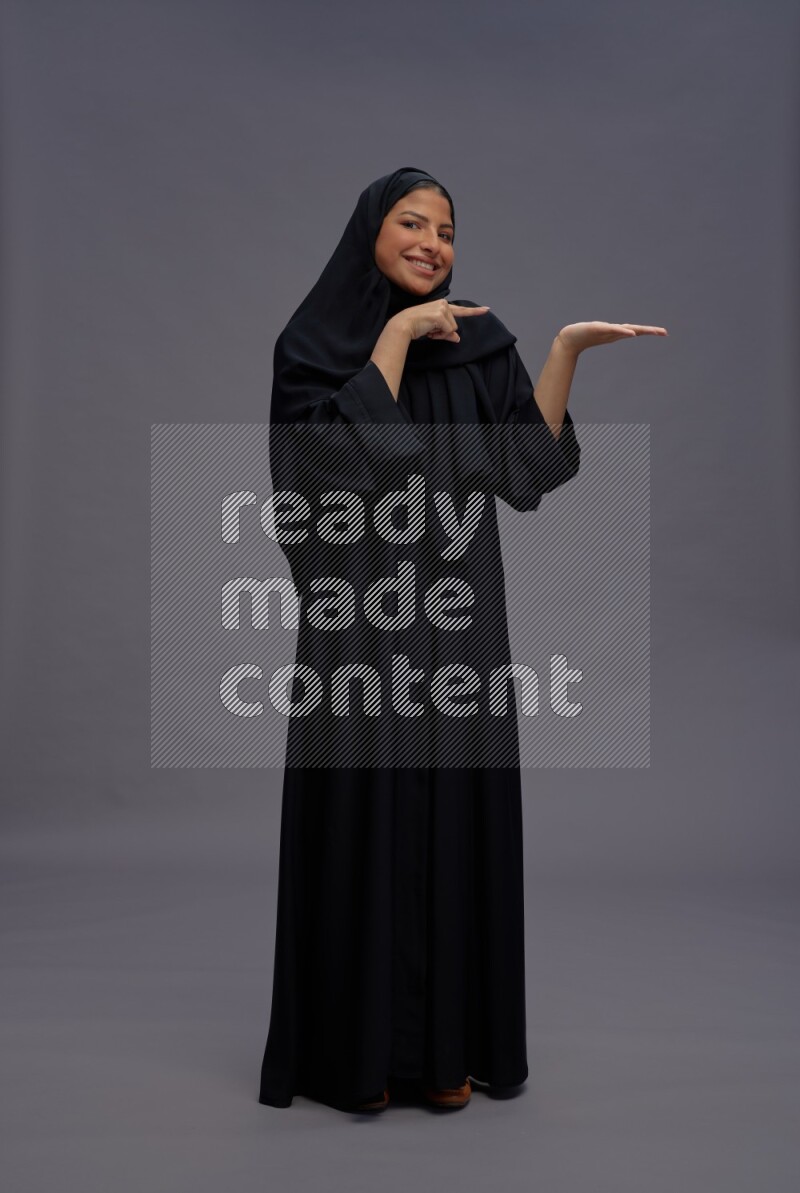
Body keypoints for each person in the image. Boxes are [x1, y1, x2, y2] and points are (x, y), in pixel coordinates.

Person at [258, 165, 667, 1114]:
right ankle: (355, 1059)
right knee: (366, 824)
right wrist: (397, 337)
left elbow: (527, 469)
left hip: (459, 630)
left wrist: (563, 350)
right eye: (412, 222)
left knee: (451, 825)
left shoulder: (479, 340)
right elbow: (314, 480)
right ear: (370, 231)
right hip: (357, 632)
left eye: (446, 231)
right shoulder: (311, 348)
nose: (432, 244)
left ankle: (445, 1054)